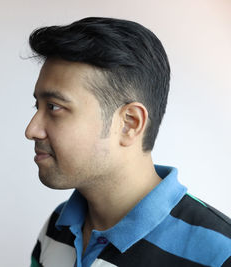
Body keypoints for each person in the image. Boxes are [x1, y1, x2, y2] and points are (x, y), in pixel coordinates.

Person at [25, 17, 231, 267]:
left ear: (130, 123)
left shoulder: (220, 254)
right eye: (38, 106)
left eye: (55, 107)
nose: (31, 130)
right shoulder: (57, 227)